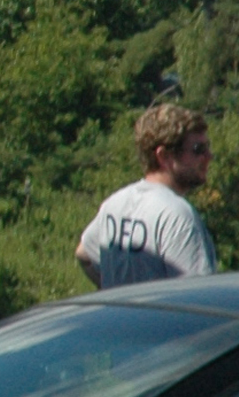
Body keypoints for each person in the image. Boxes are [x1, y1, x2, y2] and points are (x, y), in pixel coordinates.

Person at [76, 102, 217, 289]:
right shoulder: (177, 215)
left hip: (122, 318)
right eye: (198, 149)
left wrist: (113, 296)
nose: (209, 156)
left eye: (207, 147)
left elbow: (84, 254)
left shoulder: (114, 204)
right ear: (164, 156)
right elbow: (199, 296)